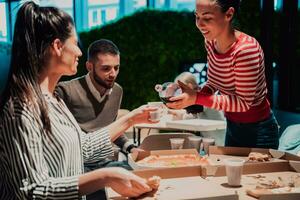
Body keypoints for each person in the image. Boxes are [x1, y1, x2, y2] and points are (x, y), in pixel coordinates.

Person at [0, 2, 155, 199]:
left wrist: (132, 118)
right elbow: (32, 191)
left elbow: (84, 148)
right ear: (57, 46)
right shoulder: (20, 109)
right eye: (75, 43)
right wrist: (105, 177)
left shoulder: (54, 100)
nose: (80, 52)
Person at [167, 0, 279, 149]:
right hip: (232, 126)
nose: (199, 24)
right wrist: (194, 97)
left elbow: (243, 103)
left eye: (207, 18)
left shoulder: (245, 50)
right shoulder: (211, 42)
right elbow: (214, 82)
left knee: (256, 173)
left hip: (259, 131)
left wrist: (197, 98)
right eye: (197, 16)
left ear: (229, 14)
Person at [56, 39, 140, 171]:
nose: (113, 74)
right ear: (89, 67)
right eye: (106, 68)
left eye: (116, 68)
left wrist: (132, 148)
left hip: (105, 162)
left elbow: (111, 129)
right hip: (77, 165)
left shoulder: (117, 91)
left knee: (143, 171)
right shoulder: (65, 91)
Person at [168, 72, 226, 146]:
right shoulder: (197, 100)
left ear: (189, 87)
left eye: (181, 92)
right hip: (211, 143)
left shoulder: (204, 96)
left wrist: (172, 104)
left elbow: (194, 108)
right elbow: (191, 116)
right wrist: (171, 111)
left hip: (220, 143)